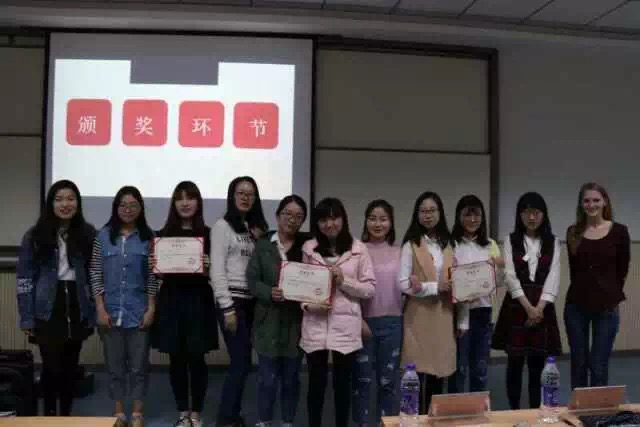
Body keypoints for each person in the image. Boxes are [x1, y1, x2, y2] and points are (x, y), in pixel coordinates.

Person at [16, 180, 95, 416]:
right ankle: (50, 417)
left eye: (70, 199)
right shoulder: (34, 235)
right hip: (47, 306)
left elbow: (94, 274)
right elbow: (24, 279)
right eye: (59, 199)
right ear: (51, 204)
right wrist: (27, 317)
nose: (65, 204)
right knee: (51, 369)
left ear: (78, 203)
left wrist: (92, 311)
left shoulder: (88, 234)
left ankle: (65, 417)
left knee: (70, 370)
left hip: (77, 304)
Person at [301, 197, 376, 427]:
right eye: (323, 219)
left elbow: (369, 289)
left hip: (345, 327)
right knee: (315, 385)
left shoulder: (358, 249)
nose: (329, 224)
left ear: (343, 219)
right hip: (315, 325)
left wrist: (344, 281)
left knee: (342, 385)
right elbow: (300, 289)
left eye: (334, 218)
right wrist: (309, 306)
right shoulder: (309, 249)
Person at [151, 181, 218, 427]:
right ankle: (182, 413)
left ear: (198, 202)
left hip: (199, 301)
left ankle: (196, 413)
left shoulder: (209, 235)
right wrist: (155, 267)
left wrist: (208, 267)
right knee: (176, 360)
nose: (185, 203)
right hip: (171, 301)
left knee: (197, 359)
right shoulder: (161, 235)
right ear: (174, 203)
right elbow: (159, 275)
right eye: (180, 198)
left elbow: (216, 274)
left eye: (190, 197)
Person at [90, 186, 158, 427]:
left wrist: (151, 308)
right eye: (123, 205)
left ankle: (137, 412)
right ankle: (118, 411)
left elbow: (153, 276)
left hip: (139, 311)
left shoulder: (149, 238)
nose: (128, 209)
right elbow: (95, 273)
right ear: (116, 208)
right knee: (114, 366)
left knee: (139, 366)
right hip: (110, 312)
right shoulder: (102, 237)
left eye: (133, 205)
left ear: (140, 208)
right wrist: (100, 308)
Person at [492, 192, 562, 409]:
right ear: (520, 215)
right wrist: (528, 308)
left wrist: (539, 308)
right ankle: (514, 409)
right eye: (526, 212)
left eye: (536, 212)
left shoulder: (553, 241)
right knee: (514, 363)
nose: (531, 217)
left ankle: (534, 410)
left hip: (542, 307)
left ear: (543, 215)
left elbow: (553, 277)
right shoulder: (510, 240)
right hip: (517, 305)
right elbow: (510, 276)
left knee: (538, 364)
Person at [399, 191, 467, 413]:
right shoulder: (410, 244)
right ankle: (415, 419)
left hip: (444, 315)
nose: (427, 215)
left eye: (432, 210)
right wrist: (434, 287)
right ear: (417, 214)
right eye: (423, 211)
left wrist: (463, 320)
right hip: (417, 317)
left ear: (440, 213)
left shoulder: (450, 244)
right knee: (415, 376)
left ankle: (432, 419)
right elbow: (403, 284)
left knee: (439, 374)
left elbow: (462, 284)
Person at [247, 195, 311, 427]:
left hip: (296, 323)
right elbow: (252, 280)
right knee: (267, 379)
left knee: (291, 378)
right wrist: (268, 291)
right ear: (277, 215)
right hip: (268, 321)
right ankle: (264, 420)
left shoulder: (307, 247)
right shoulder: (264, 245)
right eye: (287, 214)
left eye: (298, 216)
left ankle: (287, 421)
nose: (292, 220)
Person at [211, 176, 268, 427]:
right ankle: (225, 419)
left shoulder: (256, 229)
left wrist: (260, 240)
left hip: (253, 302)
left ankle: (232, 415)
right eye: (240, 193)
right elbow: (217, 270)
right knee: (240, 362)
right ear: (232, 196)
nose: (245, 197)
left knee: (244, 362)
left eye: (250, 194)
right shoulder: (222, 227)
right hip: (233, 302)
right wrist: (227, 308)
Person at [565, 182, 630, 389]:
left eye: (596, 200)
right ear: (581, 204)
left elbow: (622, 270)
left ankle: (597, 408)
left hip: (607, 308)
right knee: (579, 363)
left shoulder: (619, 231)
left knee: (598, 365)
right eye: (586, 200)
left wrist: (608, 292)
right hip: (576, 307)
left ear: (605, 202)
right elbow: (574, 270)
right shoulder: (573, 232)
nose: (591, 205)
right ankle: (579, 407)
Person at [352, 199, 403, 426]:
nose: (377, 224)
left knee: (388, 382)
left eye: (383, 219)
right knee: (362, 381)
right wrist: (359, 319)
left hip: (393, 323)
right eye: (372, 218)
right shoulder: (356, 250)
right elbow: (351, 289)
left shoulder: (400, 251)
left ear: (391, 222)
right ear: (366, 221)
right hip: (363, 323)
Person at [448, 195, 503, 393]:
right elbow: (447, 279)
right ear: (459, 216)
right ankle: (456, 409)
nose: (472, 219)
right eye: (467, 214)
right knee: (458, 369)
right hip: (457, 313)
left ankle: (478, 408)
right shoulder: (451, 244)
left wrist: (499, 268)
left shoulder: (490, 244)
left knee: (480, 369)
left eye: (477, 214)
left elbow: (500, 281)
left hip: (483, 312)